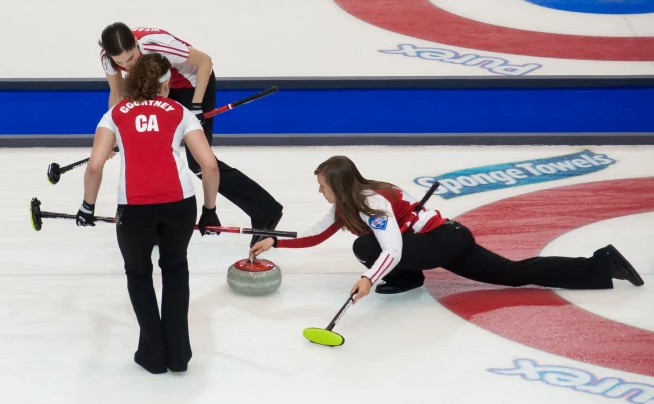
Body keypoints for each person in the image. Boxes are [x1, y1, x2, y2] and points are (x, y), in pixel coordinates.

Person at [249, 155, 645, 304]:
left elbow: (391, 250)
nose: (319, 191)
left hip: (441, 240)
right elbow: (316, 234)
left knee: (370, 251)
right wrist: (275, 241)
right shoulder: (346, 203)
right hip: (442, 238)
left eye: (322, 184)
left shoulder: (373, 203)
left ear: (338, 184)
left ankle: (408, 280)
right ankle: (600, 265)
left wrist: (369, 279)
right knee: (511, 275)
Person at [77, 53, 222, 374]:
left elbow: (95, 166)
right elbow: (209, 165)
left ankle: (153, 352)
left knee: (139, 274)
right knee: (175, 270)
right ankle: (179, 354)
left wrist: (88, 206)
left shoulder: (115, 114)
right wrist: (210, 211)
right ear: (167, 84)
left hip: (135, 207)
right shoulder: (180, 111)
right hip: (180, 204)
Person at [98, 22, 284, 246]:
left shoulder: (159, 45)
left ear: (137, 44)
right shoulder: (108, 57)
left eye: (131, 58)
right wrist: (113, 134)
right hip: (155, 85)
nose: (128, 65)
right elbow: (117, 92)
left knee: (198, 162)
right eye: (121, 62)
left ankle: (266, 210)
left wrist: (196, 105)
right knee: (151, 145)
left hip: (191, 87)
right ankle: (155, 221)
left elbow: (205, 61)